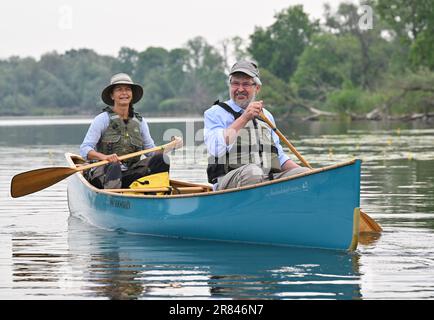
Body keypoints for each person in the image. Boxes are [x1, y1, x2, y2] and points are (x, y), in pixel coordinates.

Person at [204, 60, 310, 191]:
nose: (240, 89)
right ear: (230, 86)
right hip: (230, 182)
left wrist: (309, 175)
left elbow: (280, 158)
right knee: (252, 172)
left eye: (246, 84)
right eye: (236, 83)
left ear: (257, 88)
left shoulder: (266, 116)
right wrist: (244, 117)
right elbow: (215, 148)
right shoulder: (215, 113)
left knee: (303, 174)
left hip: (266, 179)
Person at [80, 73, 171, 189]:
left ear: (132, 95)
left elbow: (151, 152)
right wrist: (104, 157)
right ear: (112, 96)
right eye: (119, 90)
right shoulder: (102, 119)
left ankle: (157, 194)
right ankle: (114, 198)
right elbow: (84, 149)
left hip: (130, 174)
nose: (124, 93)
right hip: (105, 174)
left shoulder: (140, 122)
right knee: (114, 165)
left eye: (127, 89)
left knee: (162, 159)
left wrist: (169, 147)